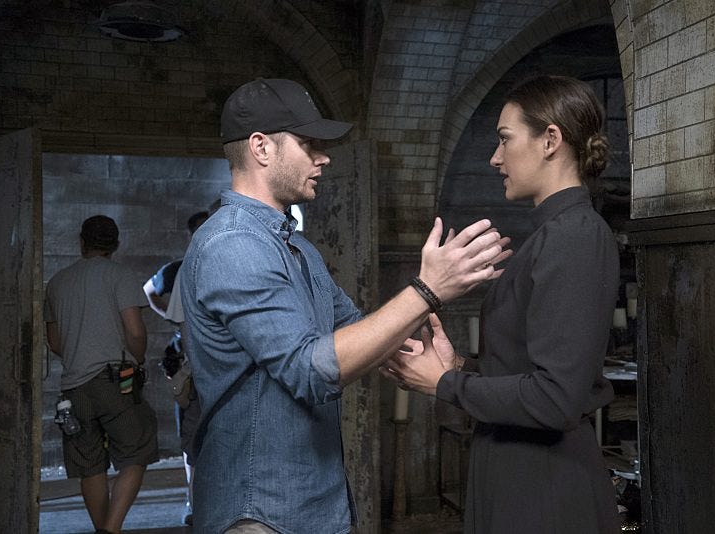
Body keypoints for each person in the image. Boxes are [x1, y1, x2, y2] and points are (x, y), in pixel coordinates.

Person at [179, 78, 512, 534]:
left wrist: (442, 364)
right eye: (308, 144)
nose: (323, 158)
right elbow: (310, 369)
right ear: (261, 147)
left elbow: (358, 333)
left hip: (312, 502)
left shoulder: (297, 248)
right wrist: (428, 289)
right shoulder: (233, 244)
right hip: (260, 511)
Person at [381, 75, 622, 533]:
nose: (495, 157)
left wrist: (447, 384)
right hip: (520, 475)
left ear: (550, 139)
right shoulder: (553, 233)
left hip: (545, 489)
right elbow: (526, 368)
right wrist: (461, 366)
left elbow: (555, 399)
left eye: (505, 139)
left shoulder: (575, 236)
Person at [44, 215, 158, 534]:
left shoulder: (57, 282)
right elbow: (135, 332)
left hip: (74, 387)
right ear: (116, 244)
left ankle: (103, 530)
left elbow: (55, 342)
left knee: (89, 465)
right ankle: (112, 528)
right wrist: (137, 358)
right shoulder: (121, 276)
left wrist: (82, 355)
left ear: (82, 242)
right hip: (116, 380)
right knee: (136, 453)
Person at [142, 209, 209, 526]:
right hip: (192, 362)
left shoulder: (186, 268)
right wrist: (171, 315)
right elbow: (149, 291)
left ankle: (198, 501)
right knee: (193, 434)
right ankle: (195, 500)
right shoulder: (181, 269)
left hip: (199, 361)